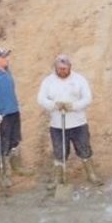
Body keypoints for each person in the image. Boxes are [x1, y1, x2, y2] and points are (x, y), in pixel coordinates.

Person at [36, 53, 99, 184]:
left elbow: (87, 98)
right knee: (59, 152)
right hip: (57, 124)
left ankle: (91, 174)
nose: (62, 71)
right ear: (55, 67)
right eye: (60, 68)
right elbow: (41, 99)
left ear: (70, 66)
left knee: (84, 149)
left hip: (78, 123)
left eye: (65, 68)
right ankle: (57, 178)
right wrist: (54, 105)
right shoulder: (48, 81)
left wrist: (74, 106)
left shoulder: (79, 79)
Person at [0, 46, 29, 186]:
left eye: (6, 56)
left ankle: (16, 166)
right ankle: (2, 173)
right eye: (4, 57)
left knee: (15, 140)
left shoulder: (7, 72)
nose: (7, 59)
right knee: (2, 143)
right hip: (2, 116)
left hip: (13, 111)